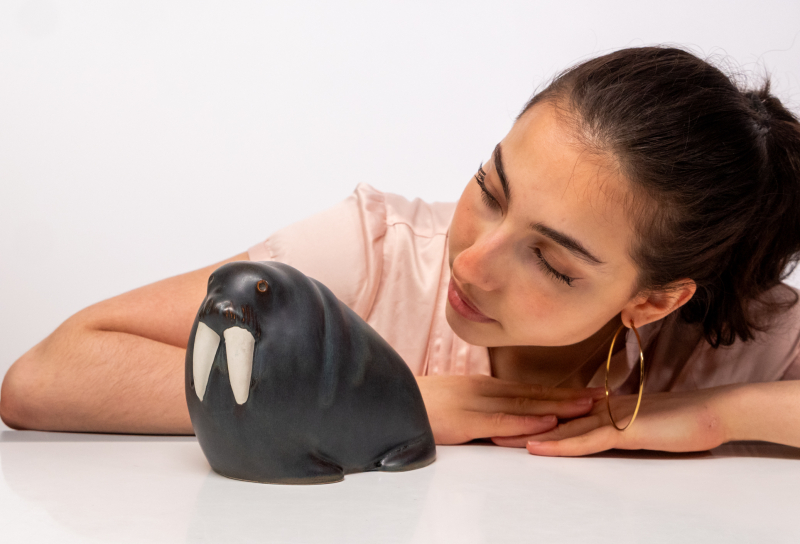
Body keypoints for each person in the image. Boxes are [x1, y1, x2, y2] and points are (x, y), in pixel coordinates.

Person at [2, 46, 799, 456]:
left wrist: (714, 416)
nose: (471, 262)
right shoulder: (371, 256)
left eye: (552, 263)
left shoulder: (741, 335)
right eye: (489, 189)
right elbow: (44, 379)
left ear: (655, 300)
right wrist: (382, 405)